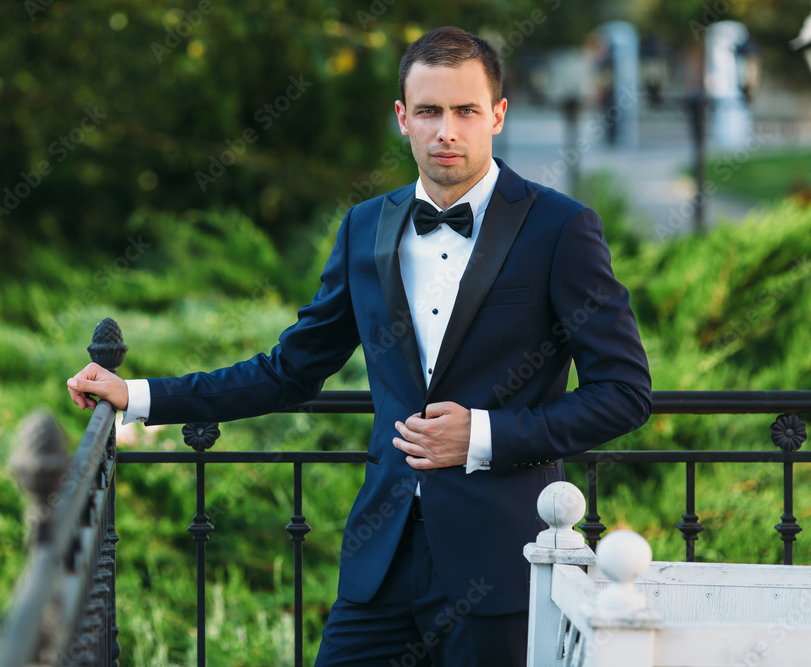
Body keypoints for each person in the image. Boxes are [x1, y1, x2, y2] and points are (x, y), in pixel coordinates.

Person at [67, 26, 651, 667]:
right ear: (403, 118)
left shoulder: (561, 228)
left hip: (499, 563)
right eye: (429, 111)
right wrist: (138, 395)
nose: (446, 131)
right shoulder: (366, 226)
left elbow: (623, 393)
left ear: (498, 115)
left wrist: (484, 435)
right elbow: (291, 370)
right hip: (381, 564)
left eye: (465, 111)